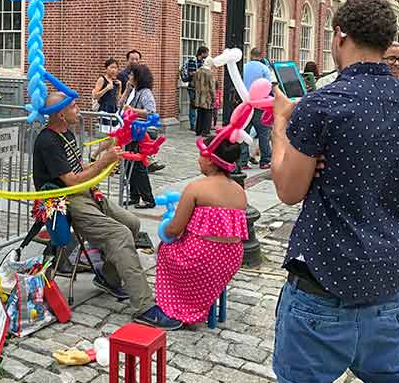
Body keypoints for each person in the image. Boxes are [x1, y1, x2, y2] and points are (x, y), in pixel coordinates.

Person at [265, 0, 399, 383]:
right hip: (390, 287)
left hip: (321, 289)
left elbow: (287, 188)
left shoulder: (321, 106)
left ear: (339, 34)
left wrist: (283, 123)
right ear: (387, 43)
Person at [32, 92, 181, 329]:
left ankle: (109, 278)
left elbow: (78, 169)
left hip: (84, 192)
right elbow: (70, 181)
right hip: (65, 201)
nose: (79, 110)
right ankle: (145, 306)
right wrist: (102, 162)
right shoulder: (48, 141)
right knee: (120, 234)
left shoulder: (67, 133)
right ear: (61, 114)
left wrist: (102, 165)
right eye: (73, 107)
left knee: (132, 223)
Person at [155, 138, 247, 324]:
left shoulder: (196, 188)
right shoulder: (239, 191)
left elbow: (174, 229)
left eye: (200, 155)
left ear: (211, 160)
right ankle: (202, 298)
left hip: (201, 258)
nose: (198, 159)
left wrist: (166, 228)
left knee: (165, 250)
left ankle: (177, 303)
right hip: (230, 260)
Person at [123, 64, 158, 209]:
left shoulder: (145, 93)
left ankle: (148, 198)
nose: (129, 77)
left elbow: (151, 111)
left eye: (131, 75)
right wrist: (126, 91)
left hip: (143, 131)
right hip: (133, 131)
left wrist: (133, 110)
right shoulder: (134, 92)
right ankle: (134, 196)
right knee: (128, 163)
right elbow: (121, 105)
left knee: (138, 166)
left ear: (138, 77)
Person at [240, 47, 272, 170]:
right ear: (261, 56)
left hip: (246, 104)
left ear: (250, 55)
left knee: (244, 132)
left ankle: (243, 161)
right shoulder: (264, 69)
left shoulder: (243, 67)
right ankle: (265, 161)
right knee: (264, 133)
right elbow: (268, 86)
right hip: (260, 105)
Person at [181, 47, 208, 130]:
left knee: (200, 106)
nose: (207, 55)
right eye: (206, 53)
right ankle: (193, 125)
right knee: (193, 106)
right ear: (202, 53)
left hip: (201, 88)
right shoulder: (193, 61)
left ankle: (199, 125)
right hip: (193, 87)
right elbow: (191, 73)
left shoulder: (203, 62)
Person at [193, 57, 214, 137]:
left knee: (200, 113)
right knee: (208, 113)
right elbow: (211, 87)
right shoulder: (209, 73)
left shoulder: (198, 71)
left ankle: (198, 130)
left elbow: (193, 83)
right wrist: (214, 97)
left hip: (199, 95)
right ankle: (206, 131)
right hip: (207, 96)